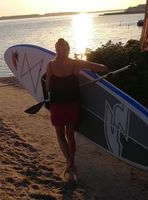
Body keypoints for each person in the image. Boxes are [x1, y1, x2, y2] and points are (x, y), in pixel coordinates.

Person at [46, 38, 106, 182]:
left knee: (60, 135)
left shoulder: (50, 65)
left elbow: (48, 87)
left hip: (58, 104)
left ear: (56, 49)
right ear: (68, 48)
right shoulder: (76, 63)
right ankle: (71, 160)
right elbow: (102, 68)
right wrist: (93, 68)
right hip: (73, 103)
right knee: (70, 133)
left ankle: (69, 162)